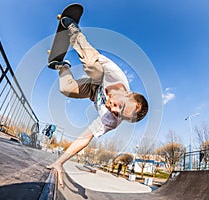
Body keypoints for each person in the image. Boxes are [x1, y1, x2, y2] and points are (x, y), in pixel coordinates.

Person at [46, 17, 148, 187]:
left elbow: (85, 137)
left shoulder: (111, 121)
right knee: (92, 66)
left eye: (119, 114)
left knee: (65, 89)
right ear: (127, 93)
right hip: (99, 78)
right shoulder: (115, 74)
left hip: (92, 92)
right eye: (119, 105)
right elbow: (90, 54)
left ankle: (63, 67)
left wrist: (60, 162)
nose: (112, 108)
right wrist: (74, 34)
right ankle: (74, 29)